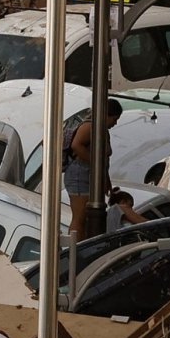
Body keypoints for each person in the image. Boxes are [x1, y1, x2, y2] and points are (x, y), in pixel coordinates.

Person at [64, 98, 123, 239]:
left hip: (90, 174)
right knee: (80, 217)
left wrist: (105, 178)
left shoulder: (102, 130)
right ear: (106, 115)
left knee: (87, 217)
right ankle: (74, 250)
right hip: (80, 174)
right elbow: (76, 145)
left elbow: (104, 158)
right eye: (114, 119)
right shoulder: (90, 127)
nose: (115, 123)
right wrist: (95, 164)